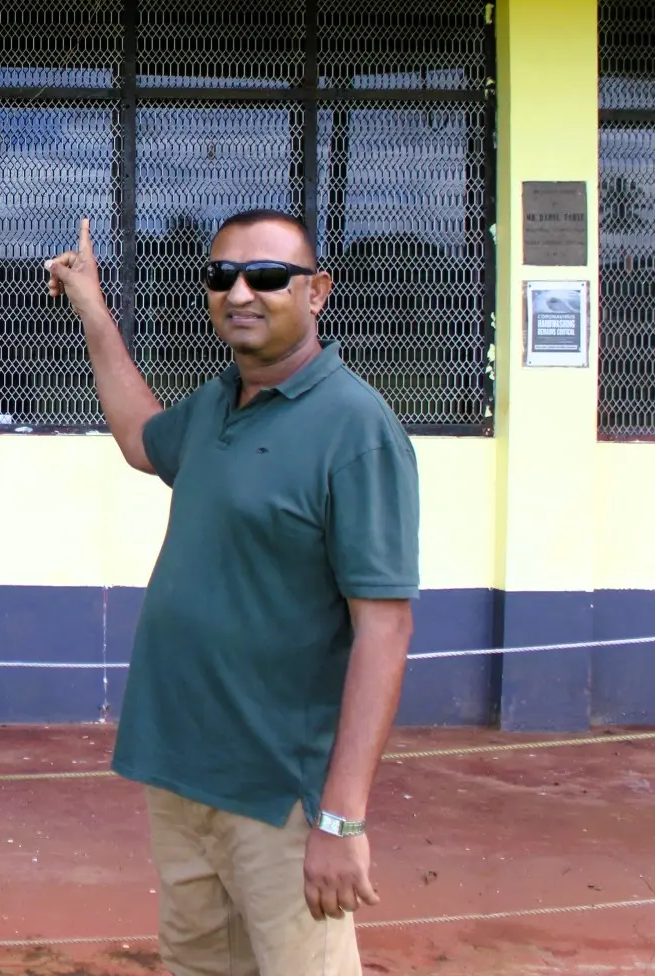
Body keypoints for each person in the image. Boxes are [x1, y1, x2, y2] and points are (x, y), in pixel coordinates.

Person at [46, 209, 419, 976]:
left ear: (317, 292)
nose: (240, 292)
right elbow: (140, 436)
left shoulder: (355, 427)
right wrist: (93, 310)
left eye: (267, 277)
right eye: (222, 276)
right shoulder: (220, 401)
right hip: (183, 776)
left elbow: (384, 629)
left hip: (279, 796)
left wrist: (342, 819)